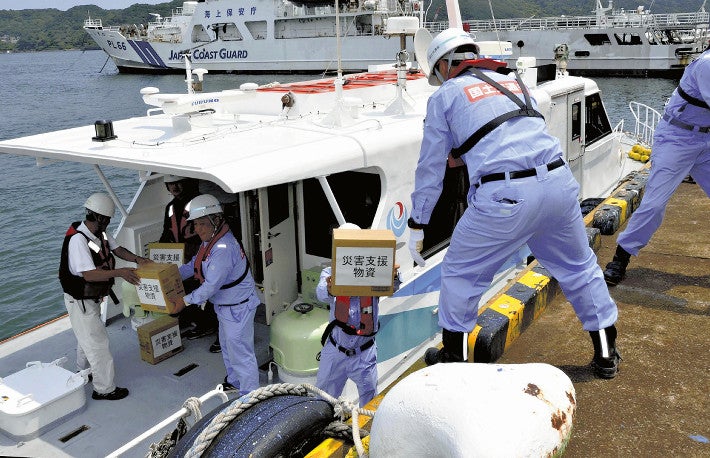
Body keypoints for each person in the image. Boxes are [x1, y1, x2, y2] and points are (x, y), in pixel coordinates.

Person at [408, 28, 621, 378]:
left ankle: (454, 360)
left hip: (505, 197)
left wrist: (418, 223)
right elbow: (512, 132)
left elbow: (431, 166)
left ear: (445, 65)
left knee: (461, 274)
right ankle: (607, 354)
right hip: (557, 184)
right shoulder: (515, 83)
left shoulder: (446, 95)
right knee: (580, 269)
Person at [603, 48, 710, 286]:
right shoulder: (707, 64)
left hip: (706, 139)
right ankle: (621, 257)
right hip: (678, 138)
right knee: (654, 204)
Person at [59, 192, 150, 400]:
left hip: (90, 299)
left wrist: (137, 259)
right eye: (107, 219)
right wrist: (121, 273)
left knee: (86, 339)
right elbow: (89, 274)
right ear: (100, 217)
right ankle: (104, 389)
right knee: (98, 344)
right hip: (80, 301)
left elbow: (117, 250)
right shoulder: (78, 241)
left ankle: (84, 373)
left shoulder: (99, 234)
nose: (109, 223)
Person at [171, 194, 260, 395]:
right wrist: (171, 274)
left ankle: (250, 396)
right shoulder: (211, 241)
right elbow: (196, 263)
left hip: (238, 308)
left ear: (216, 220)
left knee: (241, 354)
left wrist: (183, 301)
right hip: (226, 307)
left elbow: (210, 287)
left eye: (202, 224)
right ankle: (235, 381)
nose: (198, 229)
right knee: (229, 349)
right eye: (195, 224)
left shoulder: (223, 249)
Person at [315, 224, 400, 407]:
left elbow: (393, 288)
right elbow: (322, 293)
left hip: (364, 353)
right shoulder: (330, 273)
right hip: (335, 350)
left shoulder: (373, 270)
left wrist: (393, 276)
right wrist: (330, 288)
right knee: (322, 398)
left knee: (369, 399)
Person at [160, 175, 220, 352]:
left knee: (213, 296)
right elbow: (166, 233)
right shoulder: (170, 208)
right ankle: (203, 324)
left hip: (202, 257)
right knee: (188, 291)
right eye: (170, 184)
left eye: (178, 182)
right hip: (186, 262)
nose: (175, 187)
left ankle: (220, 333)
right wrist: (157, 254)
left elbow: (207, 233)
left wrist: (194, 253)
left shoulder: (199, 203)